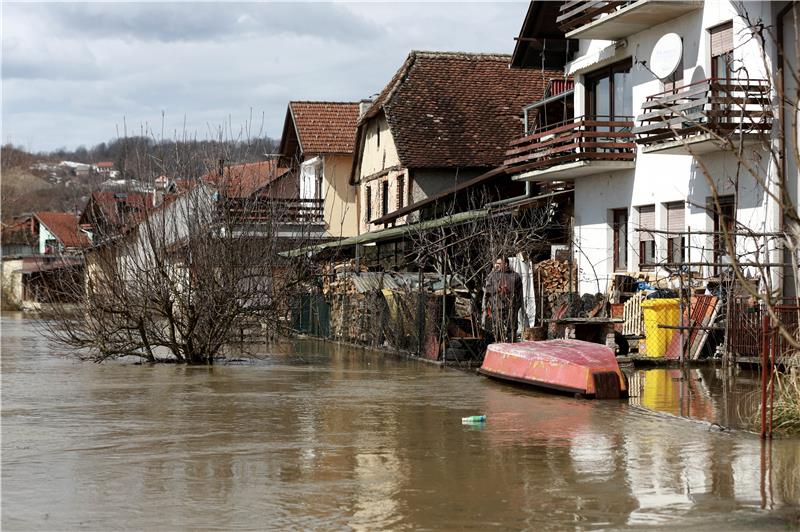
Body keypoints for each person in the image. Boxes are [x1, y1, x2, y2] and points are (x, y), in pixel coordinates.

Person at [483, 257, 523, 343]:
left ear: (506, 264)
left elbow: (520, 293)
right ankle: (499, 346)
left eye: (499, 263)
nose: (496, 265)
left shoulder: (515, 276)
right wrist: (497, 288)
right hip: (497, 305)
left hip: (511, 306)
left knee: (511, 328)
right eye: (496, 263)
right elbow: (487, 289)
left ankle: (511, 347)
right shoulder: (492, 276)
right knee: (497, 328)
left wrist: (517, 306)